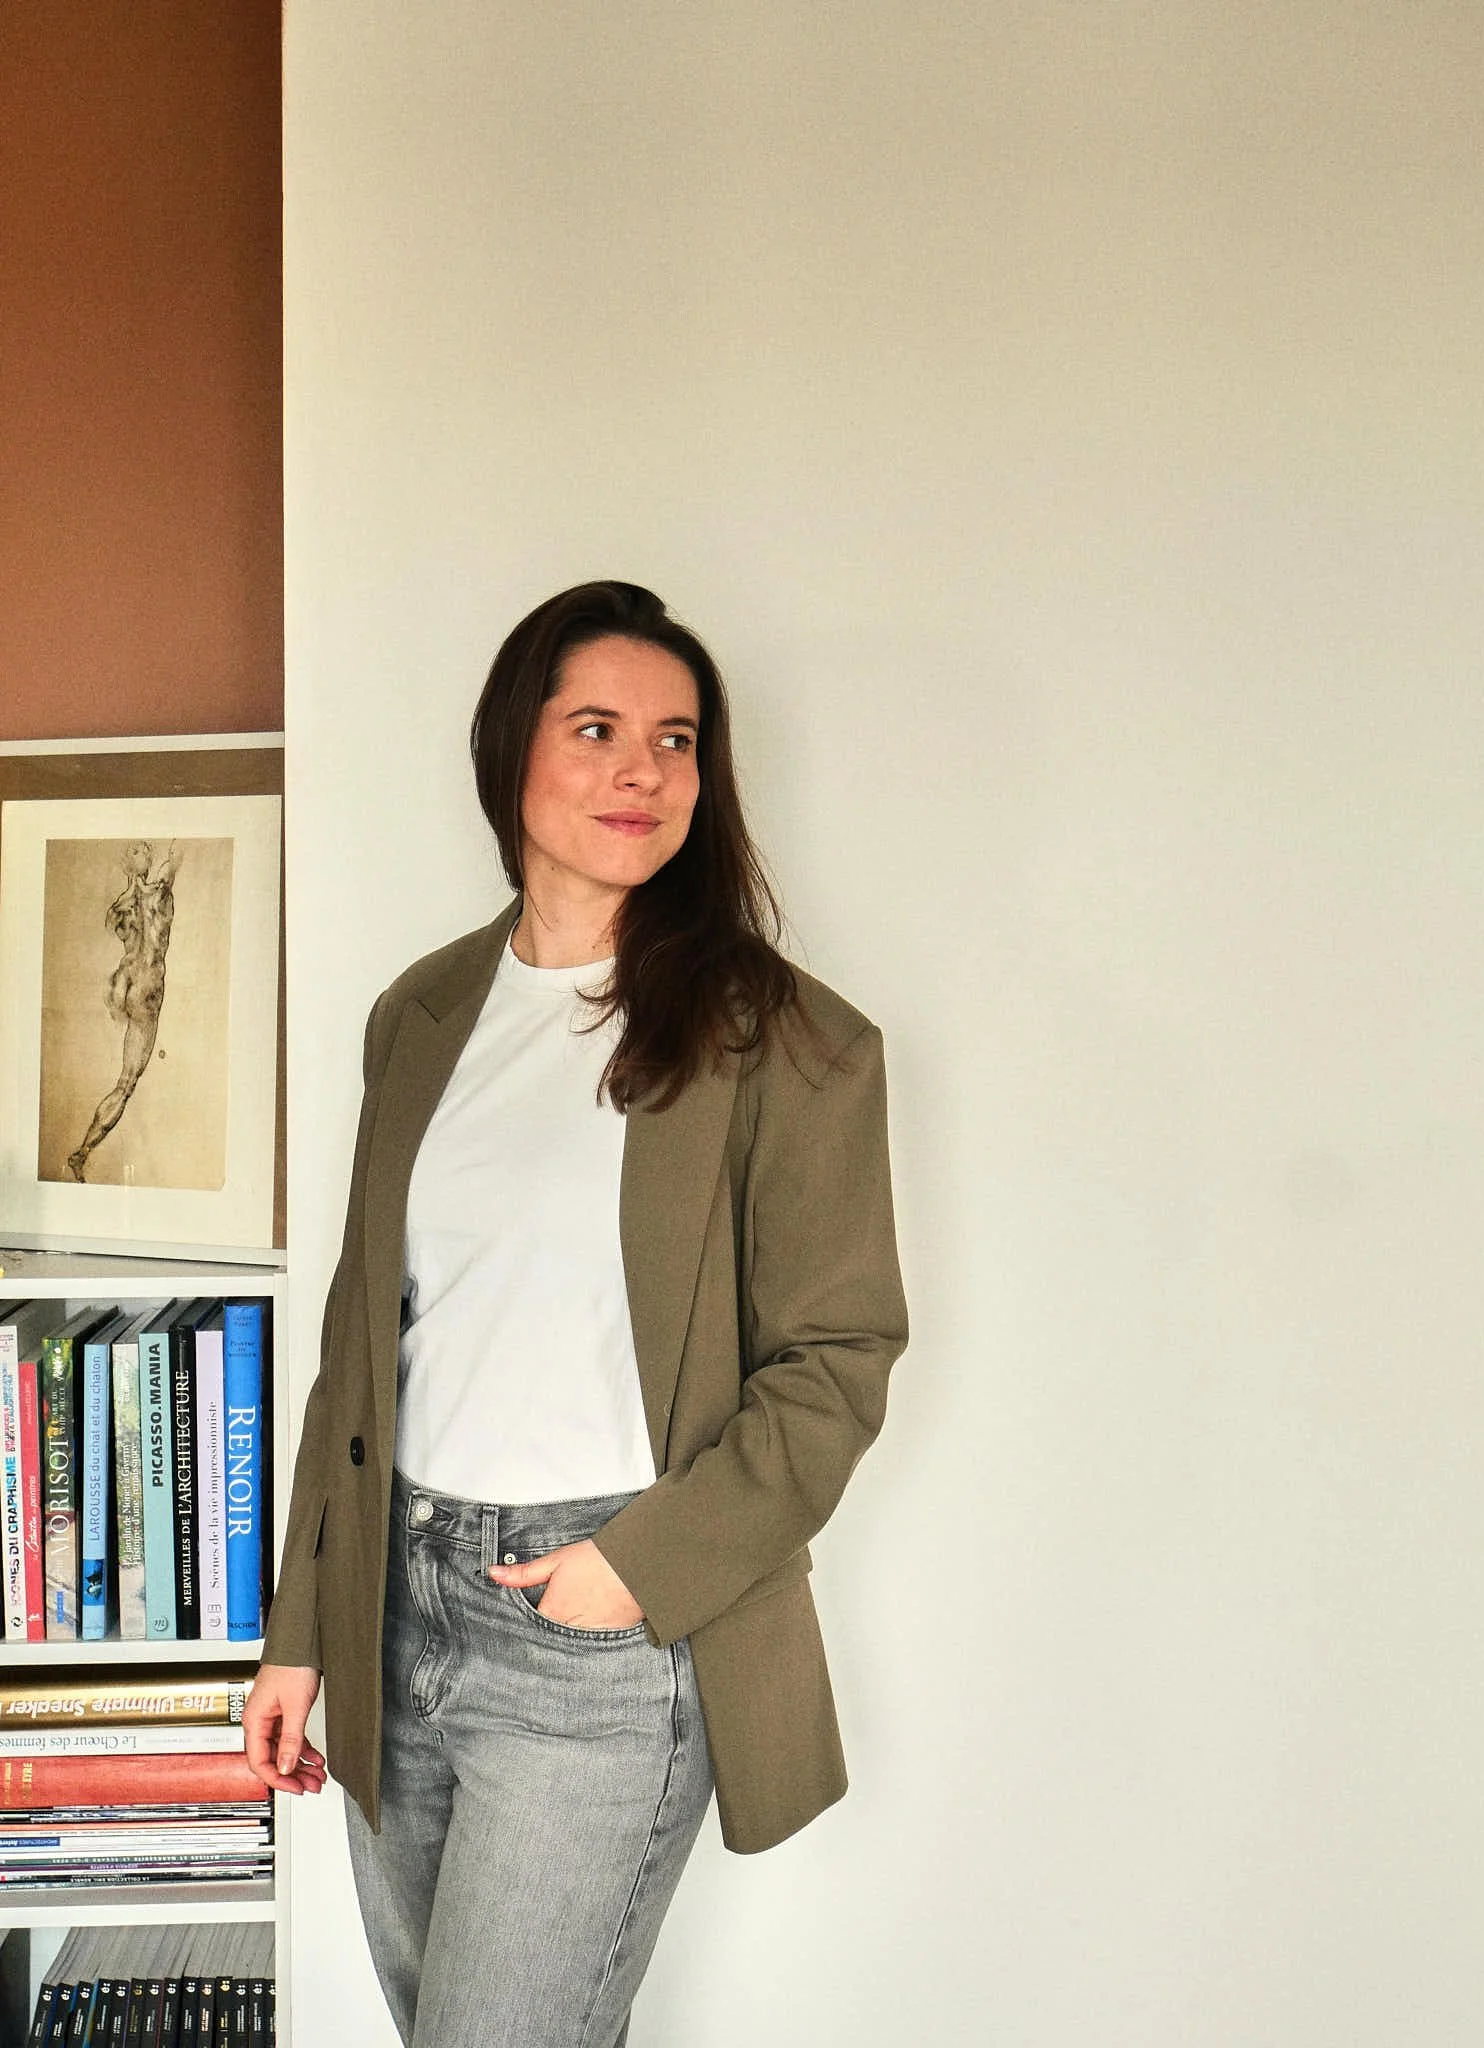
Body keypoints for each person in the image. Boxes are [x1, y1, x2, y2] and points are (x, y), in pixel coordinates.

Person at [243, 581, 908, 2048]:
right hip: (398, 1611)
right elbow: (365, 1352)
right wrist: (303, 1626)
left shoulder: (787, 1042)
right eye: (598, 727)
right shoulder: (422, 1015)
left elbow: (838, 1362)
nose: (642, 771)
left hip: (601, 1637)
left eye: (676, 740)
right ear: (511, 750)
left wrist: (638, 1567)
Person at [67, 838, 183, 1181]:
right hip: (148, 987)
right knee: (127, 1082)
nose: (147, 849)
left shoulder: (118, 908)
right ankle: (83, 1151)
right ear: (135, 861)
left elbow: (119, 933)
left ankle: (84, 1150)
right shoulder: (158, 894)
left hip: (126, 982)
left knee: (124, 1080)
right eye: (141, 848)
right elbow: (173, 864)